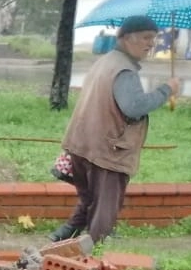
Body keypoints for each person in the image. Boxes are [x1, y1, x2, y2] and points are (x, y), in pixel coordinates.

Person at [51, 14, 181, 246]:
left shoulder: (106, 61)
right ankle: (96, 254)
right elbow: (134, 107)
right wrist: (166, 90)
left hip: (83, 144)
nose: (151, 44)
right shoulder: (124, 70)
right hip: (107, 149)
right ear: (127, 38)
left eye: (154, 38)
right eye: (146, 38)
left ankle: (63, 235)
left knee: (90, 198)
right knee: (105, 206)